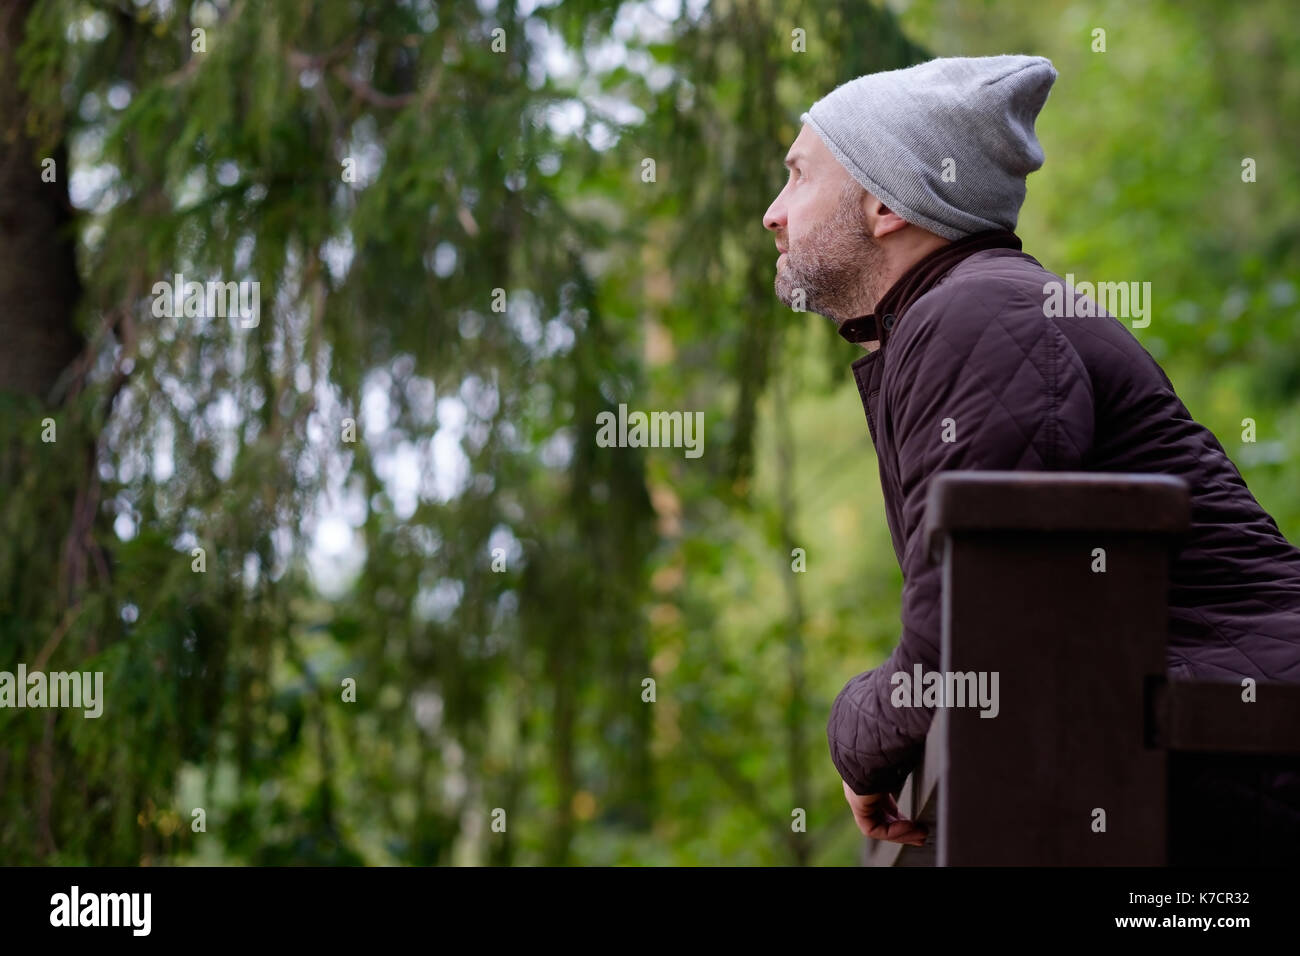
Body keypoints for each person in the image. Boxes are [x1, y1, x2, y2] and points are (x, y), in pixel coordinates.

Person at [762, 55, 1300, 864]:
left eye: (799, 176)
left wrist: (855, 731)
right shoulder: (971, 312)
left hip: (1250, 757)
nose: (773, 213)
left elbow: (973, 626)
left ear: (882, 203)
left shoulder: (976, 315)